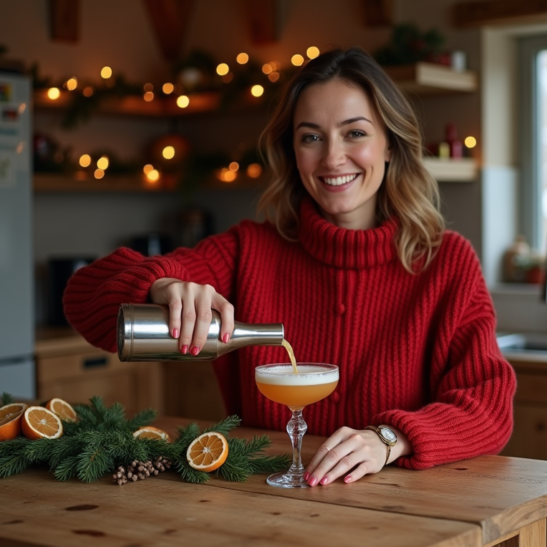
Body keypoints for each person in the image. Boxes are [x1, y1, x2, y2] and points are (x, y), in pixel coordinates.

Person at [63, 47, 516, 486]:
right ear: (293, 153)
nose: (332, 158)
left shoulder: (446, 262)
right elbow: (83, 298)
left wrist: (389, 439)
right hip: (263, 512)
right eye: (311, 137)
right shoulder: (248, 250)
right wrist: (161, 284)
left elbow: (488, 408)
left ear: (390, 145)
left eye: (355, 133)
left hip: (399, 521)